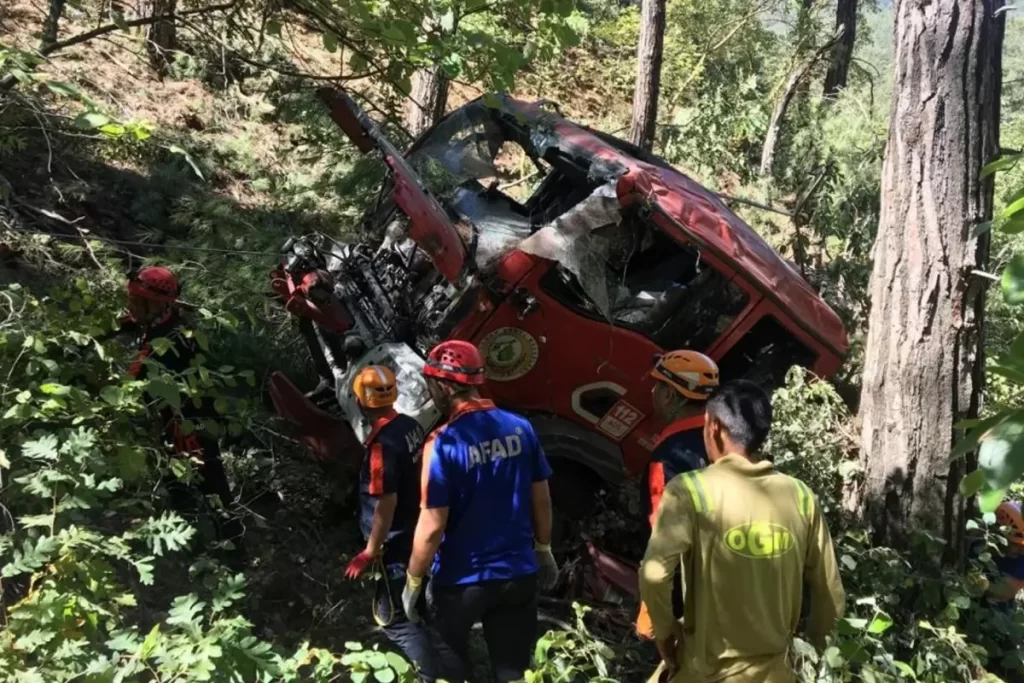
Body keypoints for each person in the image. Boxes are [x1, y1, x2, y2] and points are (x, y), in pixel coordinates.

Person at [639, 380, 845, 683]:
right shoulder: (800, 496)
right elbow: (830, 597)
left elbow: (655, 575)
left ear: (714, 428)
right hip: (778, 673)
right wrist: (811, 654)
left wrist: (666, 636)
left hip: (704, 672)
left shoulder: (689, 491)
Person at [401, 340, 558, 683]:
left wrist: (413, 579)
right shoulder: (520, 428)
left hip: (461, 582)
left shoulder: (443, 442)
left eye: (430, 385)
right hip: (518, 575)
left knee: (450, 660)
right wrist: (543, 549)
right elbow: (541, 499)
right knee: (513, 670)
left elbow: (432, 525)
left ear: (443, 386)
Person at [119, 266, 241, 546]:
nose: (131, 306)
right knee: (177, 484)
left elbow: (133, 381)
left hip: (189, 424)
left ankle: (232, 546)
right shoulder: (161, 321)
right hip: (172, 420)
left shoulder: (172, 341)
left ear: (156, 304)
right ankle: (190, 538)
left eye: (137, 302)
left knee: (211, 484)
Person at [342, 364, 445, 680]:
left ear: (360, 401)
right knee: (421, 609)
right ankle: (452, 666)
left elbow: (386, 502)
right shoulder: (409, 426)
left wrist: (370, 551)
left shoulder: (380, 447)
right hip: (417, 531)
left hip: (395, 545)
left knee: (395, 619)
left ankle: (433, 677)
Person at [636, 350, 720, 639]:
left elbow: (665, 538)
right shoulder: (727, 439)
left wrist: (657, 619)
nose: (652, 391)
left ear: (671, 396)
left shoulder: (668, 457)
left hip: (690, 597)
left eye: (658, 385)